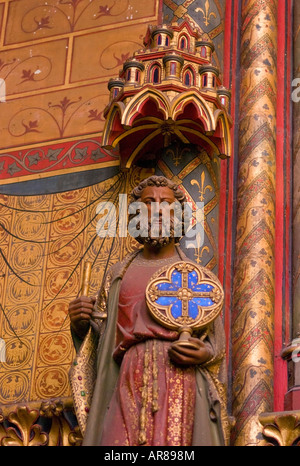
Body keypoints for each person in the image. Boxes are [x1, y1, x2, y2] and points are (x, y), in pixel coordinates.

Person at [68, 175, 230, 446]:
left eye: (165, 203)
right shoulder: (119, 275)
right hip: (126, 378)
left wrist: (205, 354)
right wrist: (81, 322)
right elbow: (102, 343)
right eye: (148, 203)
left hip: (179, 378)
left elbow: (216, 343)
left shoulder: (194, 275)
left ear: (179, 215)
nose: (156, 209)